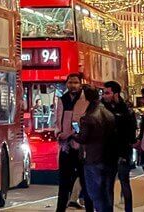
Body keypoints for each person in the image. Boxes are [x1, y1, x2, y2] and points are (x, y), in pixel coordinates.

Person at [78, 86, 118, 212]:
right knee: (107, 193)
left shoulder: (88, 117)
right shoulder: (108, 113)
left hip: (94, 158)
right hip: (109, 157)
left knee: (96, 194)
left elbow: (83, 139)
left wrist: (72, 136)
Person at [55, 73, 90, 211]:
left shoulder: (86, 100)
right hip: (65, 147)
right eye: (70, 82)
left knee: (85, 181)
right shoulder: (62, 99)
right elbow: (58, 120)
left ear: (80, 84)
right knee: (63, 183)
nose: (73, 85)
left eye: (75, 82)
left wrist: (70, 133)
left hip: (81, 147)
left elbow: (85, 123)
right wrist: (58, 133)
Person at [102, 80, 137, 212]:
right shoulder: (102, 107)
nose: (104, 96)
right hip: (108, 153)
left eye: (107, 93)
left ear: (116, 94)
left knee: (124, 183)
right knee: (108, 184)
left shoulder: (126, 110)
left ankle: (128, 209)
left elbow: (130, 132)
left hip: (122, 153)